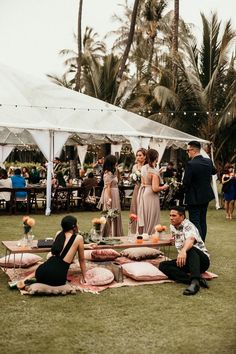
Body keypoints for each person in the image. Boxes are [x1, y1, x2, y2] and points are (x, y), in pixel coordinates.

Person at [19, 215, 86, 287]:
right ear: (74, 226)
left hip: (41, 272)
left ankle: (25, 280)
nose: (78, 225)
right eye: (77, 223)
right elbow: (81, 260)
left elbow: (64, 246)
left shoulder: (59, 234)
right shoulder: (79, 238)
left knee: (44, 266)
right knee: (52, 273)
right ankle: (33, 282)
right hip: (57, 278)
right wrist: (84, 277)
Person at [159, 206, 210, 296]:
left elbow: (190, 239)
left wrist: (183, 251)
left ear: (182, 217)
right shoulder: (173, 226)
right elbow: (177, 235)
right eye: (170, 215)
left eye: (174, 215)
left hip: (202, 261)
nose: (171, 218)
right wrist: (173, 239)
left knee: (190, 249)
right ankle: (195, 280)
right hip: (187, 261)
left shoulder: (189, 226)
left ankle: (194, 283)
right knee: (163, 265)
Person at [183, 141, 217, 242]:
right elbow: (214, 171)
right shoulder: (208, 161)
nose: (187, 152)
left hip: (194, 197)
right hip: (206, 195)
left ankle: (199, 244)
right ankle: (202, 242)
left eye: (188, 150)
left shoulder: (191, 164)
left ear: (193, 150)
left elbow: (186, 182)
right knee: (202, 220)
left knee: (195, 221)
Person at [137, 149, 169, 235]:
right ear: (156, 158)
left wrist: (158, 172)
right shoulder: (153, 172)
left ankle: (145, 234)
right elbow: (155, 188)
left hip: (144, 193)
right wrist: (164, 187)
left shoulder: (144, 167)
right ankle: (151, 235)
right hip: (151, 195)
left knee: (146, 216)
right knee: (152, 217)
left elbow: (148, 178)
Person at [98, 154, 124, 237]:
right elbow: (108, 187)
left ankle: (116, 232)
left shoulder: (114, 172)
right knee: (110, 212)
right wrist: (109, 199)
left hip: (115, 192)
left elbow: (118, 182)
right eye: (115, 162)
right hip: (110, 193)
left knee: (115, 212)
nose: (116, 163)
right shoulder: (107, 173)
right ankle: (109, 233)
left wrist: (119, 173)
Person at [129, 148, 147, 233]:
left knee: (143, 209)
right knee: (135, 208)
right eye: (137, 155)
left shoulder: (147, 167)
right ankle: (134, 230)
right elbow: (132, 179)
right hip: (136, 188)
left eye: (140, 155)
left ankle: (144, 230)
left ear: (145, 156)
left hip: (145, 189)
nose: (138, 157)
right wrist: (133, 178)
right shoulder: (134, 166)